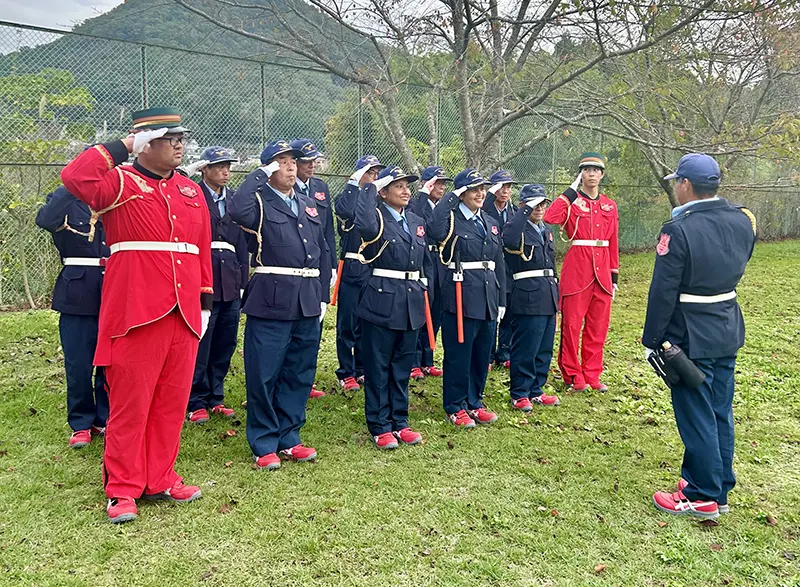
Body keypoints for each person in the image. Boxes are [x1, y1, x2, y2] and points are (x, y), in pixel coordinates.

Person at [60, 107, 212, 524]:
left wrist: (204, 305)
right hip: (136, 311)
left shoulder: (190, 190)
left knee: (170, 401)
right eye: (169, 137)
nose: (180, 144)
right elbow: (75, 176)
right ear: (146, 142)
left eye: (182, 137)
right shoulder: (118, 182)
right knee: (130, 403)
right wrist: (125, 145)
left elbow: (200, 249)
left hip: (183, 312)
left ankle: (160, 477)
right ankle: (123, 488)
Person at [644, 153, 756, 520]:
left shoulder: (678, 229)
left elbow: (663, 291)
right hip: (726, 325)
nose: (676, 187)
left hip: (689, 333)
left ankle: (702, 495)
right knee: (720, 410)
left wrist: (652, 340)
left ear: (686, 185)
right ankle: (718, 486)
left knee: (696, 414)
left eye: (677, 181)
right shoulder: (742, 220)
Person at [229, 140, 331, 470]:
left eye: (292, 161)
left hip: (306, 296)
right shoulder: (257, 201)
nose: (290, 166)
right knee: (264, 372)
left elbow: (323, 246)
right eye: (281, 162)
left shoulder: (307, 203)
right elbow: (236, 210)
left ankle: (289, 436)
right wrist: (260, 173)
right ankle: (263, 441)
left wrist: (322, 290)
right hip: (271, 296)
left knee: (299, 370)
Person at [352, 166, 430, 448]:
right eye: (398, 186)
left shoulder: (416, 220)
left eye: (408, 185)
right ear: (384, 192)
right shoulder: (376, 217)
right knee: (378, 366)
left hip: (410, 301)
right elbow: (361, 220)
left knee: (401, 366)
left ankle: (400, 421)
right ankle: (379, 424)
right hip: (382, 299)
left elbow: (424, 261)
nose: (406, 190)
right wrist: (370, 187)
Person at [428, 168, 505, 428]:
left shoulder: (490, 222)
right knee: (459, 352)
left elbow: (498, 261)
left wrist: (502, 298)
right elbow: (434, 230)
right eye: (474, 189)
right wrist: (451, 196)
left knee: (483, 352)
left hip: (488, 294)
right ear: (462, 194)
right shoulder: (450, 220)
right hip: (461, 293)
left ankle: (475, 402)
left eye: (483, 189)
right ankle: (455, 404)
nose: (480, 193)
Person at [35, 186, 110, 448]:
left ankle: (105, 417)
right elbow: (45, 219)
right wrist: (72, 185)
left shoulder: (116, 198)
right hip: (77, 290)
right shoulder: (66, 200)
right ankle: (80, 423)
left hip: (115, 288)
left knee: (111, 362)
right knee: (78, 363)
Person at [543, 152, 619, 392]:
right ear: (581, 174)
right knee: (572, 325)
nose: (591, 174)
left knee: (598, 327)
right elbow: (550, 217)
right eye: (586, 170)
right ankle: (572, 374)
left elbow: (613, 241)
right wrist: (569, 192)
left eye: (596, 170)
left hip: (602, 272)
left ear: (602, 174)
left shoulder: (609, 205)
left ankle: (592, 373)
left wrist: (613, 275)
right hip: (578, 269)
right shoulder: (572, 201)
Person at [186, 146, 249, 424]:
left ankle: (216, 396)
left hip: (231, 279)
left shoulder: (235, 201)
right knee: (202, 339)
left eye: (228, 166)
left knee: (226, 340)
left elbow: (243, 244)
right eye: (219, 166)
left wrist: (244, 282)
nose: (225, 172)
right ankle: (195, 399)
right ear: (204, 170)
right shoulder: (193, 195)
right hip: (203, 279)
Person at [501, 184, 561, 410]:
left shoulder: (545, 230)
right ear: (522, 206)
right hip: (528, 294)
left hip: (547, 293)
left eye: (542, 203)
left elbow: (552, 265)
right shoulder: (516, 228)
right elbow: (508, 239)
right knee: (526, 345)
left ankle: (536, 389)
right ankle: (520, 392)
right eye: (534, 204)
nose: (539, 208)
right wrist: (524, 211)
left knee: (544, 346)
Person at [333, 155, 385, 391]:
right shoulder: (348, 199)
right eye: (369, 173)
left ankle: (362, 368)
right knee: (348, 323)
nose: (373, 178)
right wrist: (354, 184)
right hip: (352, 267)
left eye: (376, 174)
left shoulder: (377, 203)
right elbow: (344, 211)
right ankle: (346, 371)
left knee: (367, 322)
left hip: (374, 270)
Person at [291, 139, 337, 398]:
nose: (312, 165)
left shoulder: (320, 187)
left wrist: (330, 264)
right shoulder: (282, 188)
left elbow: (327, 228)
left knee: (315, 325)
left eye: (314, 160)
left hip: (319, 263)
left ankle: (306, 380)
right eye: (306, 161)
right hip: (295, 265)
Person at [409, 165, 450, 380]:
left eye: (443, 183)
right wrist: (423, 193)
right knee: (422, 308)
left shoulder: (443, 207)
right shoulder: (418, 203)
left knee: (437, 309)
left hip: (440, 259)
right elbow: (414, 217)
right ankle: (414, 361)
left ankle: (428, 358)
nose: (441, 187)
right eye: (437, 183)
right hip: (423, 258)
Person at [483, 170, 515, 369]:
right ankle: (486, 355)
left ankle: (504, 353)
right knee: (490, 312)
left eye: (509, 187)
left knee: (508, 309)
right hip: (489, 264)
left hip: (509, 267)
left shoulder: (512, 212)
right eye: (501, 187)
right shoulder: (485, 208)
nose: (505, 191)